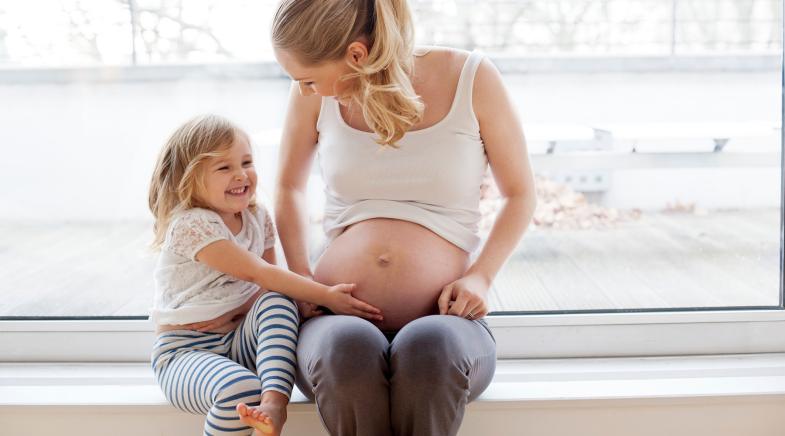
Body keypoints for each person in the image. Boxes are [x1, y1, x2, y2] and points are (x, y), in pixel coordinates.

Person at [270, 0, 537, 435]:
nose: (303, 91)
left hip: (447, 324)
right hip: (336, 321)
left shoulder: (473, 77)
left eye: (307, 80)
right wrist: (301, 279)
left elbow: (521, 194)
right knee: (346, 351)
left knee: (428, 349)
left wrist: (481, 278)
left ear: (356, 55)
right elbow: (288, 187)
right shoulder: (315, 96)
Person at [147, 114, 383, 436]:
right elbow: (259, 273)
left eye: (246, 162)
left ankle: (274, 403)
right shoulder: (193, 224)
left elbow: (268, 284)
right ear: (188, 178)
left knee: (278, 299)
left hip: (242, 341)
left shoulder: (257, 216)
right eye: (224, 167)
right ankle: (263, 403)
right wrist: (326, 295)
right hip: (187, 351)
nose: (241, 174)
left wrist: (284, 304)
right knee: (240, 388)